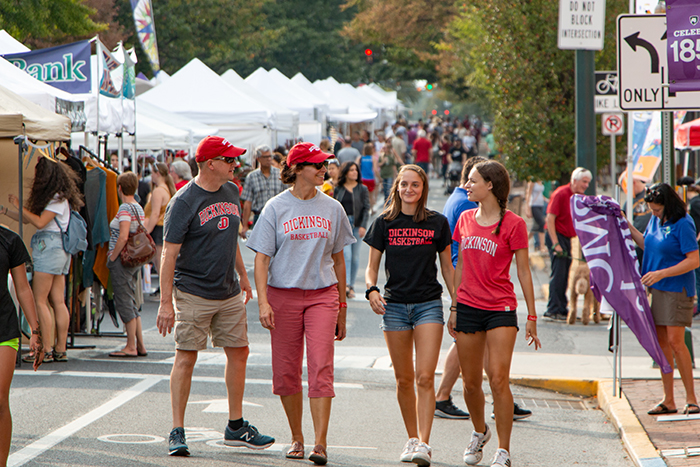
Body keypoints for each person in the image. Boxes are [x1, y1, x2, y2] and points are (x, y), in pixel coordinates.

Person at [156, 136, 274, 457]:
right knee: (187, 356)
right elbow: (169, 253)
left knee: (239, 352)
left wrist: (244, 275)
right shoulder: (183, 201)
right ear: (211, 163)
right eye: (230, 160)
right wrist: (166, 302)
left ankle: (235, 426)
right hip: (193, 291)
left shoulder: (232, 191)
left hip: (228, 290)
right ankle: (177, 430)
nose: (236, 165)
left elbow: (230, 235)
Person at [247, 142, 355, 465]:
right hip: (283, 295)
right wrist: (263, 302)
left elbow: (339, 260)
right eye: (317, 165)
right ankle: (297, 436)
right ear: (296, 169)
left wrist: (342, 308)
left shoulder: (333, 208)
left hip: (323, 295)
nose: (323, 169)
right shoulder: (275, 208)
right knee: (286, 372)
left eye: (324, 165)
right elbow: (262, 260)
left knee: (321, 365)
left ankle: (320, 443)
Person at [450, 160, 541, 467]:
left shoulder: (514, 223)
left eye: (472, 180)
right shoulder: (464, 218)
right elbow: (460, 265)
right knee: (470, 383)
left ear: (489, 185)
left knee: (499, 378)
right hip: (467, 305)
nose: (467, 185)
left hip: (501, 307)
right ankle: (480, 431)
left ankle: (503, 450)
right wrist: (453, 306)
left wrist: (531, 316)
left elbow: (525, 272)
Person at [364, 165, 455, 466]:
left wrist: (455, 303)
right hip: (394, 307)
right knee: (403, 380)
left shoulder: (437, 223)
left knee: (425, 376)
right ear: (397, 188)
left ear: (423, 188)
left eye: (415, 185)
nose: (409, 190)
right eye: (404, 184)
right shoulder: (384, 223)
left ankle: (425, 445)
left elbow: (447, 268)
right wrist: (371, 289)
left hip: (429, 303)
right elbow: (371, 267)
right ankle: (412, 438)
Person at [628, 183, 700, 416]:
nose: (654, 214)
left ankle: (691, 398)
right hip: (656, 289)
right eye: (651, 210)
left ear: (667, 206)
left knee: (676, 342)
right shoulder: (655, 220)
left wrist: (662, 272)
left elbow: (693, 260)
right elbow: (647, 244)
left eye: (657, 210)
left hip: (675, 289)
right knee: (661, 345)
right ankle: (668, 399)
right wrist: (626, 225)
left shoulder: (683, 223)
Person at [3, 157, 84, 363]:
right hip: (60, 250)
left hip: (49, 248)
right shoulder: (61, 198)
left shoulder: (56, 199)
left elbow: (39, 222)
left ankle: (46, 348)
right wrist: (8, 211)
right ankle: (60, 348)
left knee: (40, 299)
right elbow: (30, 218)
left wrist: (19, 206)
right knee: (57, 300)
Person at [0, 223, 43, 467]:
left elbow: (23, 288)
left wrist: (35, 332)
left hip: (3, 326)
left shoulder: (10, 240)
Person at [107, 172, 148, 358]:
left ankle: (130, 346)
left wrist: (112, 257)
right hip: (134, 260)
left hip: (122, 260)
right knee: (131, 301)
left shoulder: (124, 208)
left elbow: (123, 236)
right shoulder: (138, 207)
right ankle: (140, 344)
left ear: (120, 188)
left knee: (123, 301)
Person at [543, 167, 592, 321]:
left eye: (588, 183)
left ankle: (562, 307)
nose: (586, 185)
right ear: (574, 180)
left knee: (565, 274)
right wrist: (555, 244)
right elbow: (550, 219)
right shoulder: (560, 193)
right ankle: (553, 309)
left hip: (566, 237)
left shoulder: (578, 196)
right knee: (558, 273)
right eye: (584, 182)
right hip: (556, 235)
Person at [334, 162, 370, 299]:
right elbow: (335, 207)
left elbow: (367, 208)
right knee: (346, 256)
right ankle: (346, 285)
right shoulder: (339, 189)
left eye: (356, 170)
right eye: (351, 170)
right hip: (343, 225)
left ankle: (352, 285)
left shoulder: (362, 189)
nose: (354, 172)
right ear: (346, 173)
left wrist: (363, 226)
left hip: (356, 224)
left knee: (354, 257)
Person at [240, 145, 286, 238]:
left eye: (270, 156)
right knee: (261, 248)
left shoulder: (280, 174)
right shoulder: (252, 177)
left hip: (278, 216)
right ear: (258, 159)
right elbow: (247, 203)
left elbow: (287, 198)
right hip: (260, 216)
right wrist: (245, 226)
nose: (269, 159)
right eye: (266, 157)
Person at [144, 162, 176, 280]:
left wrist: (146, 232)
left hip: (158, 229)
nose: (151, 176)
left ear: (157, 174)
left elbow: (155, 214)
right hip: (163, 228)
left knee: (160, 264)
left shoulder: (158, 191)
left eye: (152, 173)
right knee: (163, 263)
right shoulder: (167, 189)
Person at [524, 181, 548, 254]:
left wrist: (547, 200)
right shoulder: (532, 182)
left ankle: (524, 241)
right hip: (534, 205)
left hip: (541, 205)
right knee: (542, 223)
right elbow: (529, 194)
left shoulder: (541, 181)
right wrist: (528, 208)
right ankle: (542, 246)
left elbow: (540, 194)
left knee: (536, 226)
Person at [358, 143, 379, 213]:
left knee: (363, 195)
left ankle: (362, 209)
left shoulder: (361, 158)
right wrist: (379, 177)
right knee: (371, 195)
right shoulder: (373, 158)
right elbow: (375, 170)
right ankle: (372, 209)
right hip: (370, 178)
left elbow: (356, 166)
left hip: (363, 178)